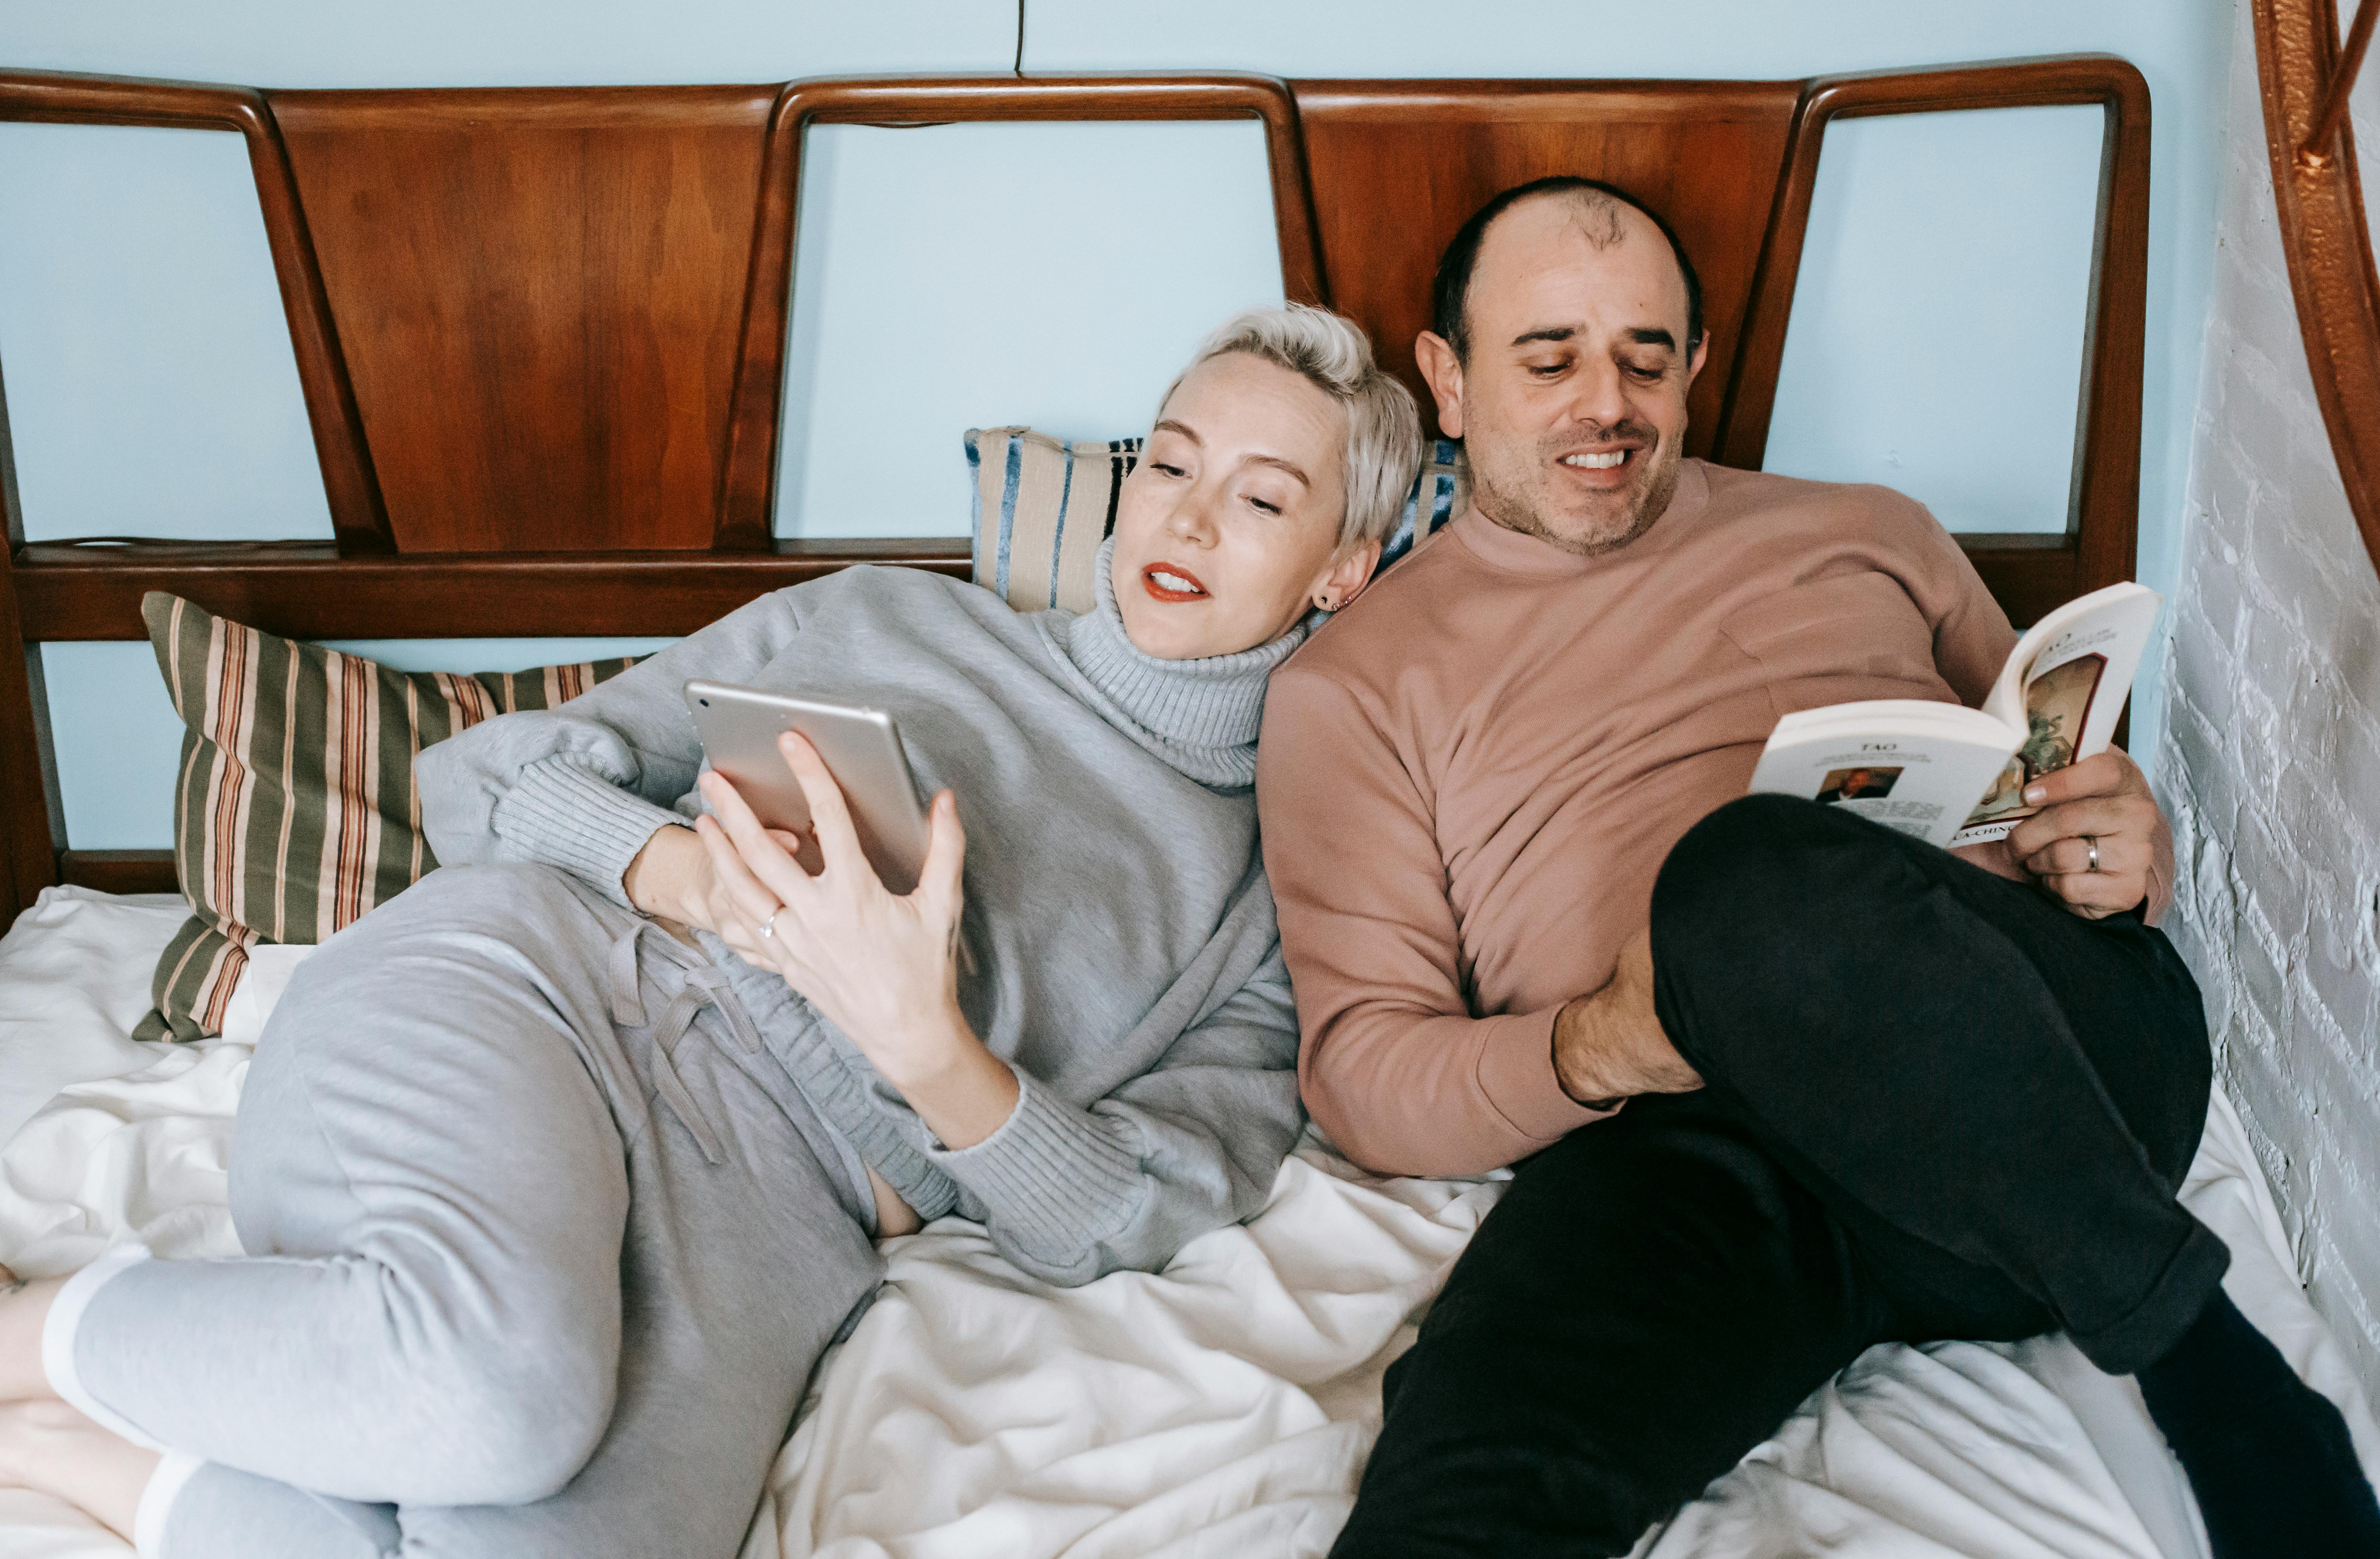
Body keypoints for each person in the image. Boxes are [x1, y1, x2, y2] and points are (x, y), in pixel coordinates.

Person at [0, 303, 1424, 1558]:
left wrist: (928, 1051)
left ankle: (61, 1438)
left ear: (1342, 572)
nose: (1183, 518)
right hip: (551, 988)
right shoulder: (892, 618)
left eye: (1258, 499)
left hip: (776, 1212)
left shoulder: (1268, 901)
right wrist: (687, 873)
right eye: (1169, 463)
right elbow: (481, 779)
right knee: (494, 1398)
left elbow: (1126, 1214)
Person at [1256, 178, 2380, 1559]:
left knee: (1746, 872)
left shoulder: (1875, 530)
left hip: (2051, 1072)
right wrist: (1599, 1047)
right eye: (1547, 359)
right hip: (1693, 1148)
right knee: (1459, 1488)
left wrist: (2118, 847)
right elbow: (1362, 1074)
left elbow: (2049, 754)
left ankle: (2224, 1388)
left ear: (1696, 370)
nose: (1604, 403)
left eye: (1645, 358)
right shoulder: (1349, 687)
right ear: (1445, 377)